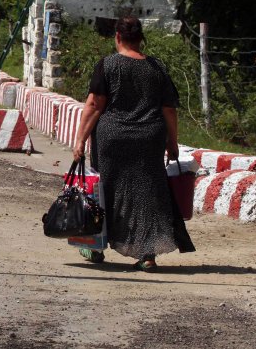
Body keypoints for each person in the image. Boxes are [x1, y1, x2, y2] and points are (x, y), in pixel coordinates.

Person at [72, 16, 195, 271]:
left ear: (117, 37)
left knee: (104, 191)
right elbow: (169, 110)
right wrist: (172, 143)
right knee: (147, 194)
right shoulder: (156, 67)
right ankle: (148, 254)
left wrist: (80, 140)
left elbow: (94, 105)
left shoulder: (107, 65)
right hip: (149, 140)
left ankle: (95, 247)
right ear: (141, 39)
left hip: (112, 138)